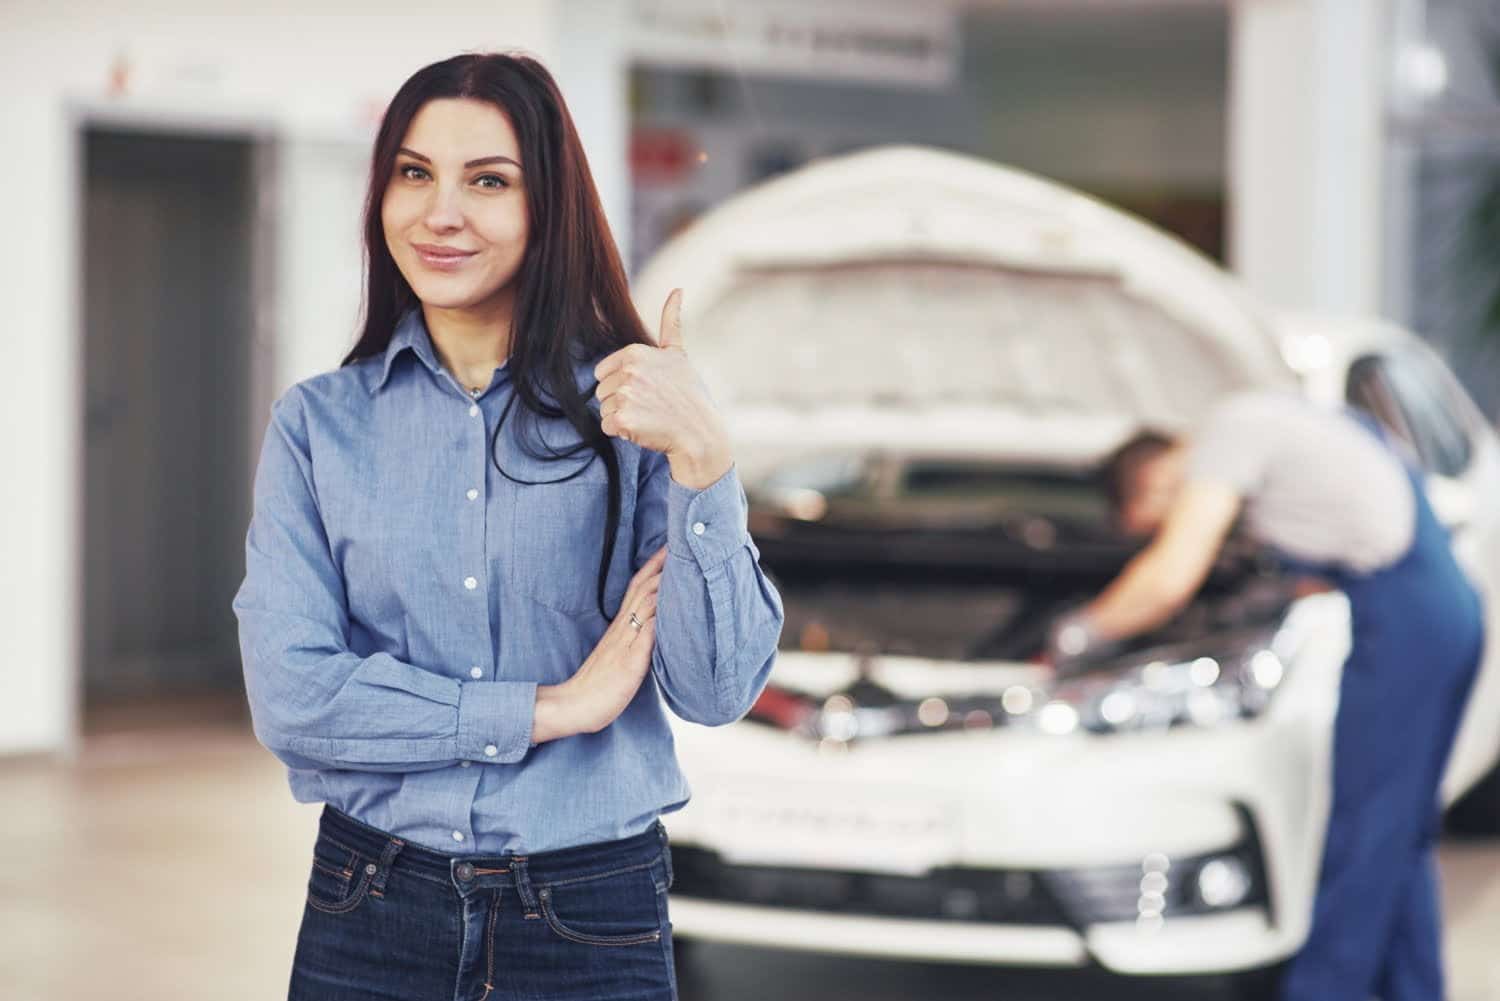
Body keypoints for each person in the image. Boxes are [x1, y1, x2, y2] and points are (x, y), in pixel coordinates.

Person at [232, 52, 785, 1001]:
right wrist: (551, 708)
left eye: (488, 180)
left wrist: (705, 462)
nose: (440, 213)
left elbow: (715, 688)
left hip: (589, 912)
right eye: (414, 173)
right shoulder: (319, 425)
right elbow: (292, 696)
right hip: (370, 902)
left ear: (550, 206)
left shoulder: (637, 415)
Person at [1045, 388, 1484, 1001]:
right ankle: (1412, 989)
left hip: (1406, 622)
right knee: (1399, 832)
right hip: (1447, 613)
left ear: (1152, 480)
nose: (1170, 523)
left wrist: (1069, 636)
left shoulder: (1229, 436)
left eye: (1157, 522)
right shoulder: (1276, 428)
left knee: (1364, 828)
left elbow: (1170, 578)